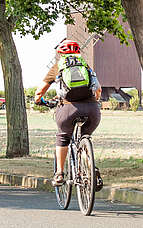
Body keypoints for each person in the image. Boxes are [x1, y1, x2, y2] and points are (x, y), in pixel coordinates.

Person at [34, 39, 103, 189]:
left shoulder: (58, 67)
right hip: (92, 111)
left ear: (60, 53)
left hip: (68, 110)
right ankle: (91, 168)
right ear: (78, 51)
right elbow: (98, 89)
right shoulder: (86, 66)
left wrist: (38, 100)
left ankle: (59, 173)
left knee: (63, 136)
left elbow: (40, 91)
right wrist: (95, 100)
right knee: (85, 136)